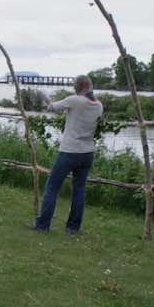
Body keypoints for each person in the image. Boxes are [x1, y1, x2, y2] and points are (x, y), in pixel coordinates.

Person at [32, 75, 103, 233]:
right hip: (87, 153)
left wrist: (45, 98)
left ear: (81, 86)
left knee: (52, 187)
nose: (74, 89)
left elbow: (51, 107)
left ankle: (42, 225)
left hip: (70, 151)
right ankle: (72, 228)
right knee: (79, 190)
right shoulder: (98, 105)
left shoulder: (75, 100)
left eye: (75, 86)